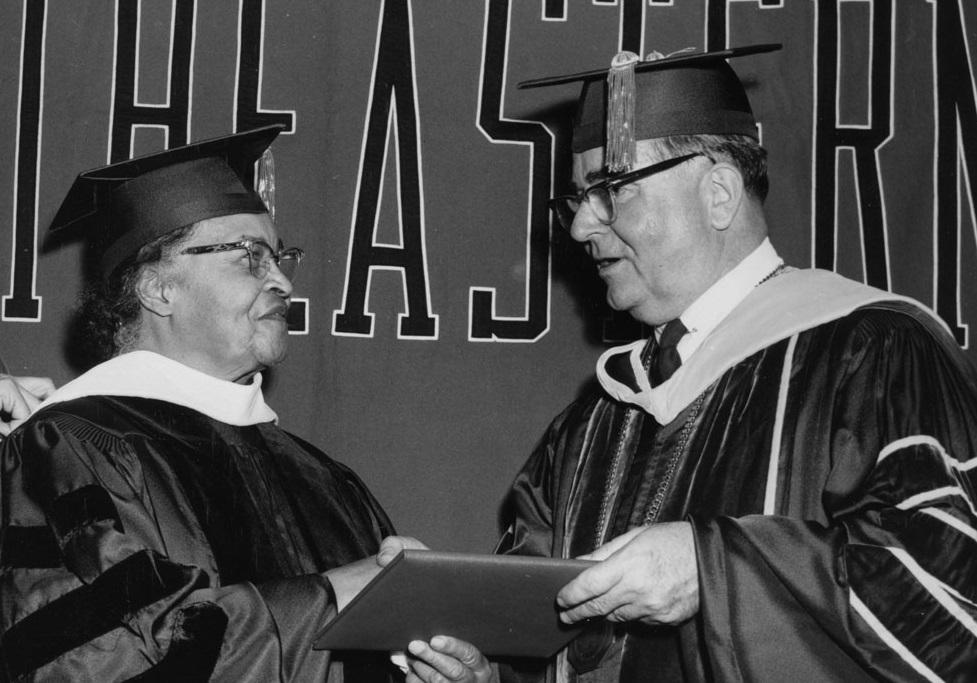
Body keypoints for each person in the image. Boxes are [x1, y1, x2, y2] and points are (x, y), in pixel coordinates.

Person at [404, 46, 977, 681]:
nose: (580, 228)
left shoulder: (871, 353)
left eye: (613, 190)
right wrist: (487, 671)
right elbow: (548, 642)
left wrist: (710, 570)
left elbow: (947, 600)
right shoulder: (594, 421)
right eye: (578, 199)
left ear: (720, 193)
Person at [0, 125, 429, 682]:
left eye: (279, 256)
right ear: (157, 290)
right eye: (249, 256)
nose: (282, 282)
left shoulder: (324, 477)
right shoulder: (67, 450)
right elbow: (90, 662)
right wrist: (327, 597)